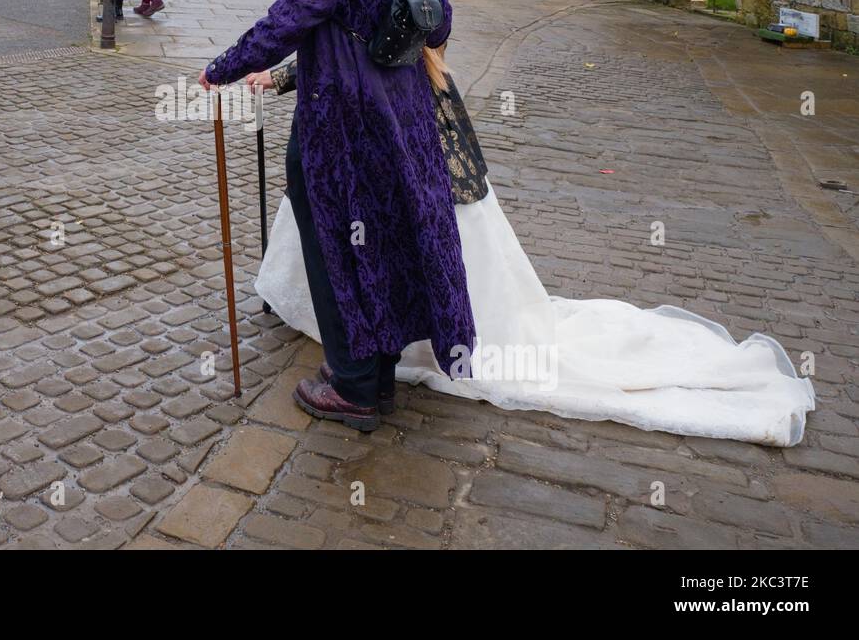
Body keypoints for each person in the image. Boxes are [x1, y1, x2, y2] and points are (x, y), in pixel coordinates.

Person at [250, 43, 816, 447]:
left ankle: (369, 369)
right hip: (388, 123)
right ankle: (376, 360)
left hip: (386, 127)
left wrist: (273, 74)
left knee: (395, 246)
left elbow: (353, 45)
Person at [200, 0, 469, 432]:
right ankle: (378, 376)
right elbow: (438, 23)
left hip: (340, 122)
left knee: (335, 249)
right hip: (404, 117)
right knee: (388, 237)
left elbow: (291, 18)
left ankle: (353, 385)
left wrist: (226, 66)